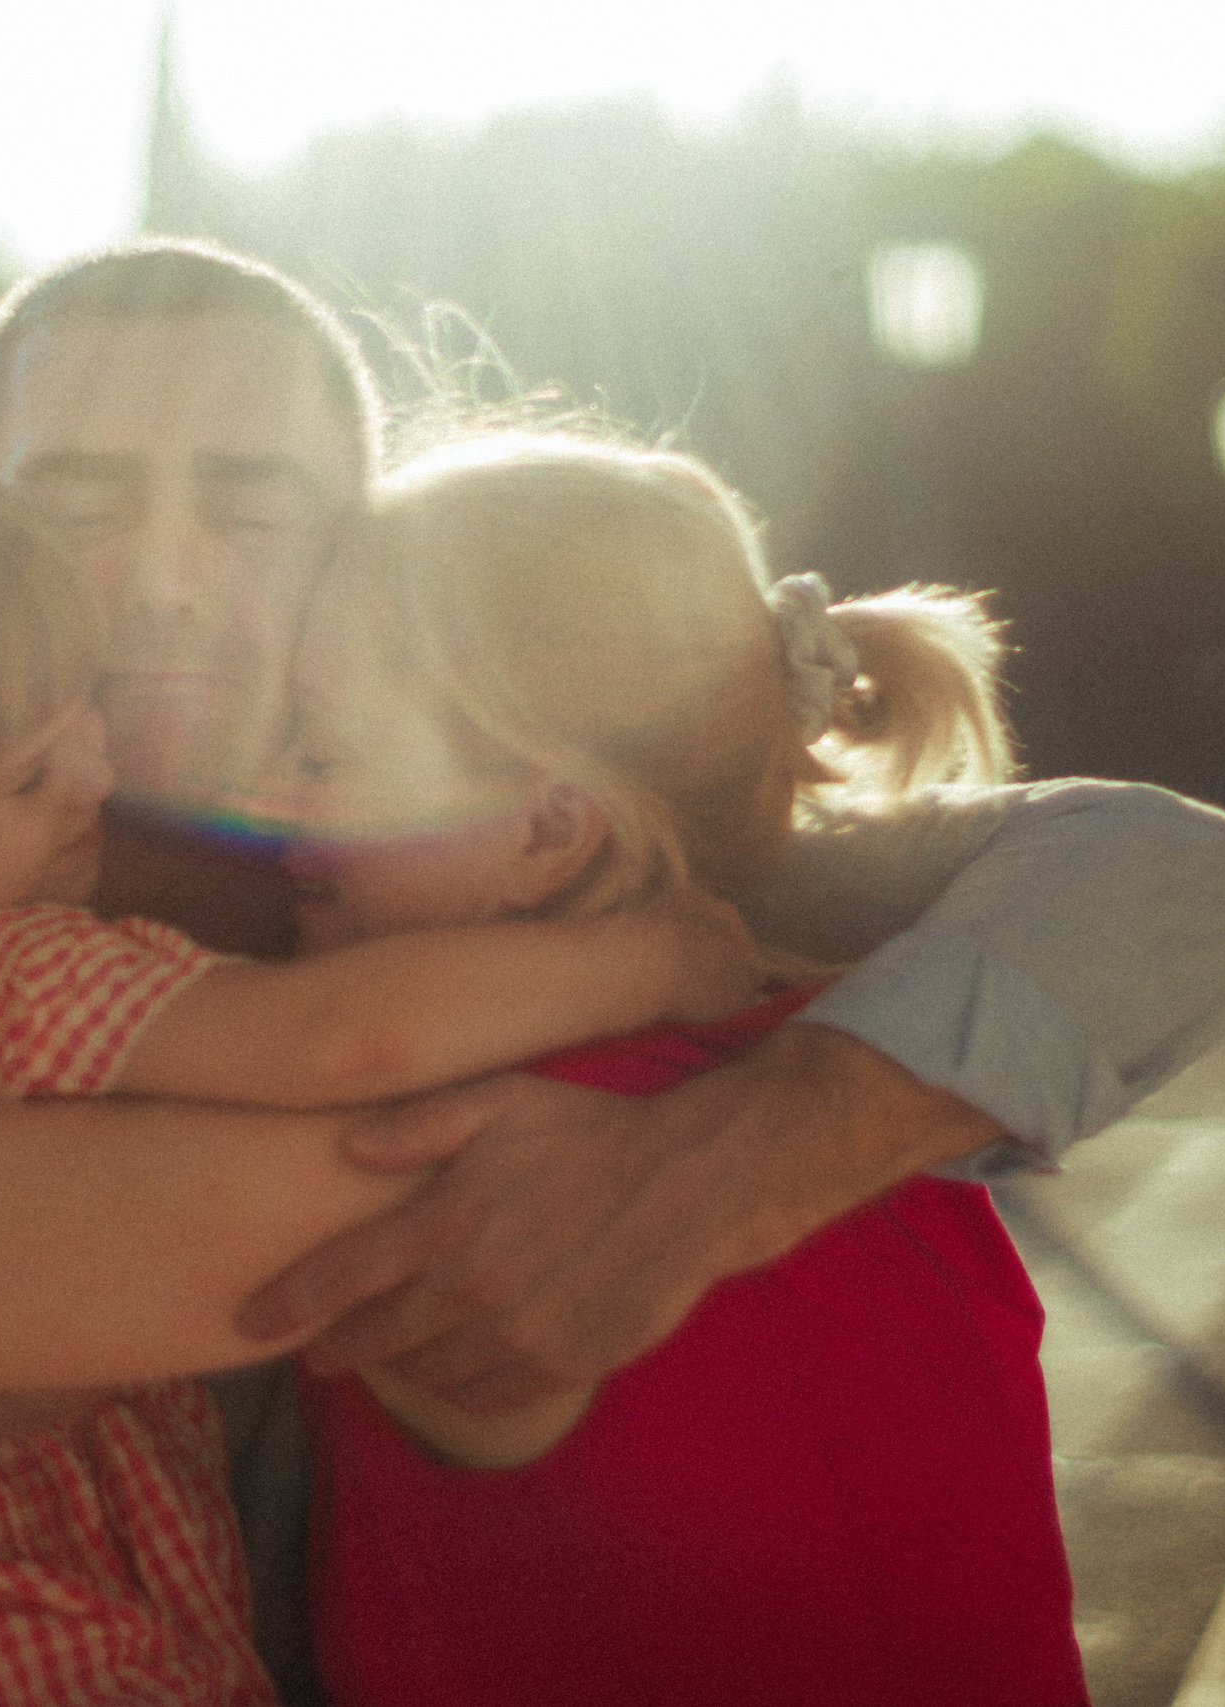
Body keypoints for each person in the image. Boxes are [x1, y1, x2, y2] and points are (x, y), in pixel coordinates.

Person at [0, 240, 1225, 1707]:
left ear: (362, 546)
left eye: (249, 505)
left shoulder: (535, 875)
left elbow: (1180, 877)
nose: (156, 579)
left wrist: (722, 1164)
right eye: (70, 505)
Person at [0, 399, 792, 1704]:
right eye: (31, 774)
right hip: (22, 1644)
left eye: (77, 711)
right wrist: (657, 951)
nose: (93, 768)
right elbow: (334, 1039)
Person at [281, 432, 1085, 1704]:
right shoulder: (850, 1053)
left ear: (546, 829)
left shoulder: (484, 1151)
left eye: (317, 753)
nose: (265, 799)